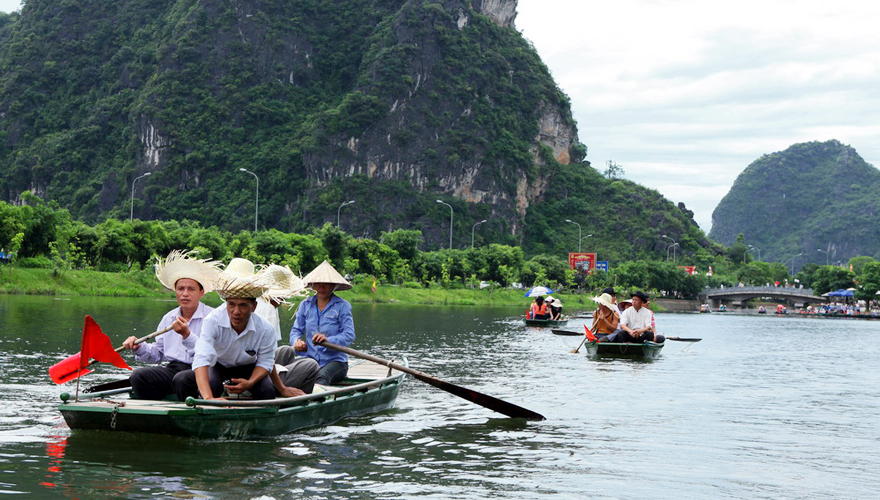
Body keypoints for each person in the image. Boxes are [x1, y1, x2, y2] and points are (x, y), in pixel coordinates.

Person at [122, 250, 221, 400]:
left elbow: (211, 355)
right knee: (138, 376)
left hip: (204, 371)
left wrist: (186, 335)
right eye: (180, 289)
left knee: (182, 379)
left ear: (201, 293)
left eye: (191, 289)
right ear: (175, 291)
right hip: (174, 369)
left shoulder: (213, 317)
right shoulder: (169, 318)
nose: (185, 294)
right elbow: (157, 353)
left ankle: (190, 411)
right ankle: (155, 411)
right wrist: (139, 346)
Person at [173, 266, 281, 401]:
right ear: (226, 304)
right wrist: (209, 398)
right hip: (218, 366)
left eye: (243, 305)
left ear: (253, 307)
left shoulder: (265, 328)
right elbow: (202, 358)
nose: (236, 311)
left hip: (248, 368)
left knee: (267, 390)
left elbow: (265, 362)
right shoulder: (212, 321)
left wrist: (250, 383)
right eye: (231, 304)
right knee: (183, 380)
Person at [290, 260, 356, 386]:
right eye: (318, 284)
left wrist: (328, 340)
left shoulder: (343, 306)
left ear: (334, 286)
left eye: (326, 284)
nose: (321, 287)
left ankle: (318, 397)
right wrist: (297, 341)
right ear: (313, 285)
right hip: (310, 359)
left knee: (321, 377)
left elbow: (349, 335)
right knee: (290, 374)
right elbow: (296, 330)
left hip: (335, 361)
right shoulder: (305, 305)